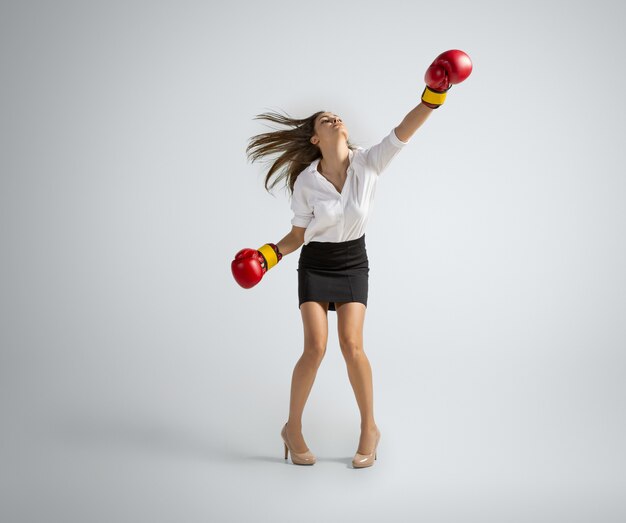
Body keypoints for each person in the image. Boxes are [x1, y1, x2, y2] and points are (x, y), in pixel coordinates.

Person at [233, 50, 472, 468]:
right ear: (314, 138)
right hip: (316, 263)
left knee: (352, 345)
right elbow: (297, 234)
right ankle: (292, 427)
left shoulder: (368, 163)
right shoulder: (307, 182)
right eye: (325, 120)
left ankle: (370, 429)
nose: (335, 120)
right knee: (315, 348)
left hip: (352, 262)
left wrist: (435, 93)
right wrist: (267, 256)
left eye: (337, 117)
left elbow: (404, 132)